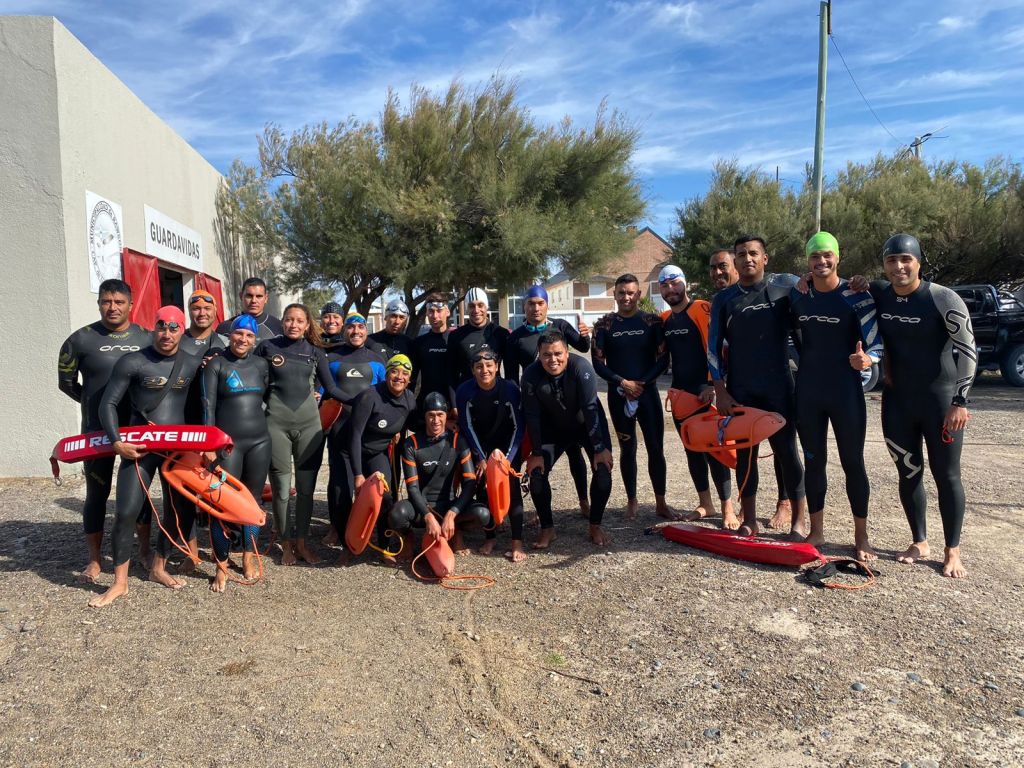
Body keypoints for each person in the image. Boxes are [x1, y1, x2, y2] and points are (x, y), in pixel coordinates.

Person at [872, 233, 976, 578]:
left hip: (941, 401)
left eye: (906, 259)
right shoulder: (880, 293)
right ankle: (919, 540)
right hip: (897, 401)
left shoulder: (942, 298)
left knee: (947, 475)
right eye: (892, 260)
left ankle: (953, 550)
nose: (899, 266)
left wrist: (960, 400)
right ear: (884, 265)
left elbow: (969, 351)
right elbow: (842, 286)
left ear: (919, 262)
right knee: (908, 470)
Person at [89, 306, 203, 607]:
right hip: (138, 447)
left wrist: (201, 444)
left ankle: (158, 567)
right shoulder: (133, 361)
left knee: (178, 511)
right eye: (162, 327)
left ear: (183, 330)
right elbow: (108, 405)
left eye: (174, 327)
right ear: (154, 328)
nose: (167, 333)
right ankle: (120, 582)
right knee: (126, 511)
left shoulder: (192, 363)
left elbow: (199, 408)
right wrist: (117, 443)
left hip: (176, 449)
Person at [790, 233, 883, 562]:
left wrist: (868, 360)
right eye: (815, 257)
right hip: (809, 391)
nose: (821, 262)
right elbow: (788, 334)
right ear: (808, 261)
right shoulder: (799, 294)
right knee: (814, 462)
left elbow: (876, 341)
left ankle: (862, 536)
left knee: (853, 464)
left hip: (846, 392)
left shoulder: (856, 295)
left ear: (838, 258)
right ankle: (817, 531)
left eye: (827, 255)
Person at [708, 235, 807, 538]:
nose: (747, 258)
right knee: (745, 456)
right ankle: (748, 517)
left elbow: (806, 333)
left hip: (779, 387)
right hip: (742, 391)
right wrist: (721, 390)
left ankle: (799, 521)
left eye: (753, 253)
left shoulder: (784, 288)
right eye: (741, 254)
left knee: (788, 453)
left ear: (765, 258)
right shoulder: (724, 300)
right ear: (735, 261)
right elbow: (712, 348)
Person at [58, 278, 152, 583]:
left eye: (119, 302)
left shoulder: (147, 338)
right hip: (96, 430)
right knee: (96, 493)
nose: (112, 307)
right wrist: (92, 401)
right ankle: (95, 559)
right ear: (99, 303)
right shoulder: (80, 339)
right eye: (106, 301)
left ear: (130, 304)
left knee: (140, 492)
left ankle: (145, 551)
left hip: (136, 429)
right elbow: (66, 382)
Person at [257, 303, 347, 566]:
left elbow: (331, 388)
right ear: (282, 322)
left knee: (307, 490)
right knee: (282, 489)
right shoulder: (267, 348)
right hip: (276, 424)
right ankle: (285, 545)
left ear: (308, 325)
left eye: (299, 321)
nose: (293, 325)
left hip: (310, 427)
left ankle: (302, 544)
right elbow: (252, 380)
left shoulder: (316, 352)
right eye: (288, 320)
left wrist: (363, 399)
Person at [592, 274, 676, 521]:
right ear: (615, 295)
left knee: (655, 449)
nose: (626, 297)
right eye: (621, 293)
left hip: (647, 394)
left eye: (631, 293)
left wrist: (641, 383)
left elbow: (663, 360)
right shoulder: (604, 325)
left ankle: (661, 502)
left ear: (639, 294)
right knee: (627, 450)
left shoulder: (652, 322)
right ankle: (632, 501)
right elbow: (598, 363)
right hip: (619, 395)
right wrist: (623, 382)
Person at [658, 265, 736, 527]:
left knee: (716, 450)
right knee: (692, 450)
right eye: (665, 286)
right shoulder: (665, 318)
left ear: (685, 284)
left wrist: (712, 385)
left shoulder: (701, 309)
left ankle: (728, 508)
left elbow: (714, 348)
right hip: (681, 394)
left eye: (675, 283)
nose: (671, 289)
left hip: (703, 392)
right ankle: (706, 503)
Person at [505, 284, 592, 517]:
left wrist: (585, 334)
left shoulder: (560, 327)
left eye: (540, 303)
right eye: (531, 303)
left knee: (575, 453)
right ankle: (543, 513)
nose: (535, 308)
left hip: (566, 401)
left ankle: (584, 501)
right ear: (524, 306)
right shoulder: (516, 338)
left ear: (547, 305)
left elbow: (583, 347)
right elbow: (512, 378)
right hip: (538, 403)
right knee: (539, 456)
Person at [522, 331, 614, 547]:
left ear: (566, 352)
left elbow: (591, 409)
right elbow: (532, 416)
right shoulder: (530, 375)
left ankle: (595, 525)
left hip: (585, 425)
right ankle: (548, 529)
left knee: (603, 471)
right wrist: (536, 453)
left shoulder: (581, 368)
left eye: (557, 354)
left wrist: (599, 447)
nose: (552, 360)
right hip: (553, 430)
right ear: (539, 354)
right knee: (536, 474)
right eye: (546, 355)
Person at [201, 315, 270, 590]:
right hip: (228, 444)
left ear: (255, 340)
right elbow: (207, 406)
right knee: (222, 503)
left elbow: (268, 399)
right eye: (238, 334)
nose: (243, 340)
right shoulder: (216, 364)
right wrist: (208, 445)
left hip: (259, 441)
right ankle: (221, 565)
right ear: (230, 335)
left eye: (249, 336)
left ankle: (249, 556)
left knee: (252, 502)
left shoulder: (261, 365)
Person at [338, 354, 417, 562]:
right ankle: (346, 546)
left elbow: (415, 424)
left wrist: (447, 424)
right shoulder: (369, 396)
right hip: (349, 451)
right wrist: (358, 474)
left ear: (409, 378)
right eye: (394, 371)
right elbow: (355, 436)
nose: (399, 377)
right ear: (386, 374)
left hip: (377, 452)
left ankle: (383, 545)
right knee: (343, 496)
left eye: (404, 373)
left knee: (386, 496)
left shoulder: (409, 399)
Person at [390, 391, 483, 557]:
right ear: (424, 417)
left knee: (482, 514)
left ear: (447, 416)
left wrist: (452, 513)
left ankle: (456, 532)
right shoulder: (412, 444)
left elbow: (470, 484)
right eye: (431, 415)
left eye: (440, 415)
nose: (436, 420)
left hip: (449, 505)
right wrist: (428, 516)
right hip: (421, 508)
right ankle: (409, 537)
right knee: (396, 515)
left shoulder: (457, 441)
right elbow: (412, 488)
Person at [456, 347, 528, 562]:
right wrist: (480, 457)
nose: (484, 370)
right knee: (480, 485)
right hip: (480, 443)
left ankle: (517, 542)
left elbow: (519, 427)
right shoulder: (465, 391)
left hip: (508, 443)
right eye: (479, 366)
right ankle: (491, 535)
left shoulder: (510, 390)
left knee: (512, 489)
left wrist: (507, 458)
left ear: (497, 367)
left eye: (489, 365)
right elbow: (467, 426)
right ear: (472, 369)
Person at [322, 309, 386, 547]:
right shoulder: (331, 358)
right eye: (351, 327)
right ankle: (340, 532)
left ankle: (377, 532)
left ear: (366, 330)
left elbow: (385, 395)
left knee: (375, 483)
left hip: (369, 434)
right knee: (341, 486)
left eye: (360, 327)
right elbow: (326, 391)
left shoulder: (377, 359)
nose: (355, 331)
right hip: (340, 429)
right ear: (344, 329)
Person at [448, 287, 510, 391]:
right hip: (467, 395)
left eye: (480, 305)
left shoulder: (501, 334)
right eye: (471, 306)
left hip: (495, 395)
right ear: (467, 308)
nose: (476, 310)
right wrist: (455, 404)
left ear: (487, 307)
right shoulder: (456, 336)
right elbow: (451, 373)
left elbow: (510, 370)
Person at [410, 295, 454, 415]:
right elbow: (412, 379)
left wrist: (456, 404)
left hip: (453, 406)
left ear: (448, 312)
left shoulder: (456, 340)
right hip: (426, 405)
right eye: (431, 311)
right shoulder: (419, 343)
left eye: (439, 311)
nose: (435, 316)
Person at [216, 277, 282, 341]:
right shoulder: (225, 328)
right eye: (249, 296)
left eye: (259, 296)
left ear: (266, 298)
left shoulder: (278, 327)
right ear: (241, 296)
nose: (253, 301)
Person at [181, 289, 227, 356]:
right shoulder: (175, 342)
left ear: (215, 311)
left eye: (207, 308)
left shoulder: (227, 343)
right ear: (189, 311)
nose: (202, 313)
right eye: (196, 308)